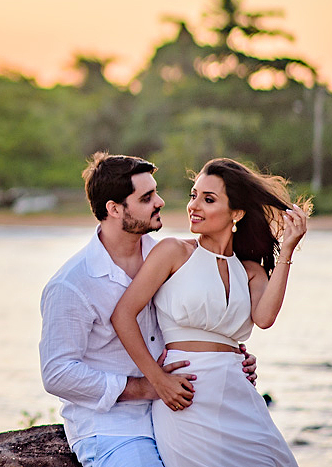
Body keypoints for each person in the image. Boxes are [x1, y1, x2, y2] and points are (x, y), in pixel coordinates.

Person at [39, 153, 257, 467]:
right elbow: (57, 373)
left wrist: (230, 357)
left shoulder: (166, 257)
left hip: (179, 413)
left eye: (155, 192)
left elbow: (197, 319)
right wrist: (144, 386)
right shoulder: (73, 284)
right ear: (114, 209)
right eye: (146, 198)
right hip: (113, 428)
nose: (160, 202)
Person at [111, 157, 310, 467]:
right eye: (193, 195)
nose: (194, 206)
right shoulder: (173, 252)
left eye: (208, 199)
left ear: (237, 213)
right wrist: (158, 381)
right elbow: (123, 315)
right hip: (185, 395)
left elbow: (265, 318)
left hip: (238, 393)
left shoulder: (251, 271)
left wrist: (287, 250)